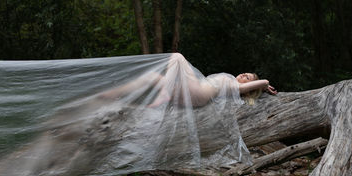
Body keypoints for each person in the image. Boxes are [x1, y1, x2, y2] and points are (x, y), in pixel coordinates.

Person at [98, 53, 277, 107]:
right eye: (245, 73)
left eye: (248, 78)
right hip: (192, 93)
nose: (244, 75)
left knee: (177, 57)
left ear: (249, 87)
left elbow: (263, 81)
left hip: (198, 92)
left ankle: (164, 95)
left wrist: (265, 85)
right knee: (152, 77)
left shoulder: (235, 87)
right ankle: (111, 95)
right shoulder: (231, 82)